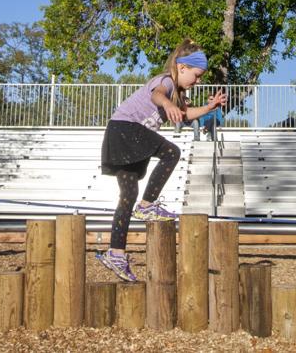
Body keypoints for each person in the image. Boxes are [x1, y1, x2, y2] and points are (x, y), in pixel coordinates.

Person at [95, 39, 226, 281]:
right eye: (196, 76)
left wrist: (209, 108)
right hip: (127, 129)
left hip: (119, 132)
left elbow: (185, 116)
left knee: (127, 195)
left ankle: (115, 253)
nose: (197, 81)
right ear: (182, 67)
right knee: (171, 152)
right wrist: (167, 103)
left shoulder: (178, 94)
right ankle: (147, 206)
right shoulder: (165, 81)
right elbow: (157, 96)